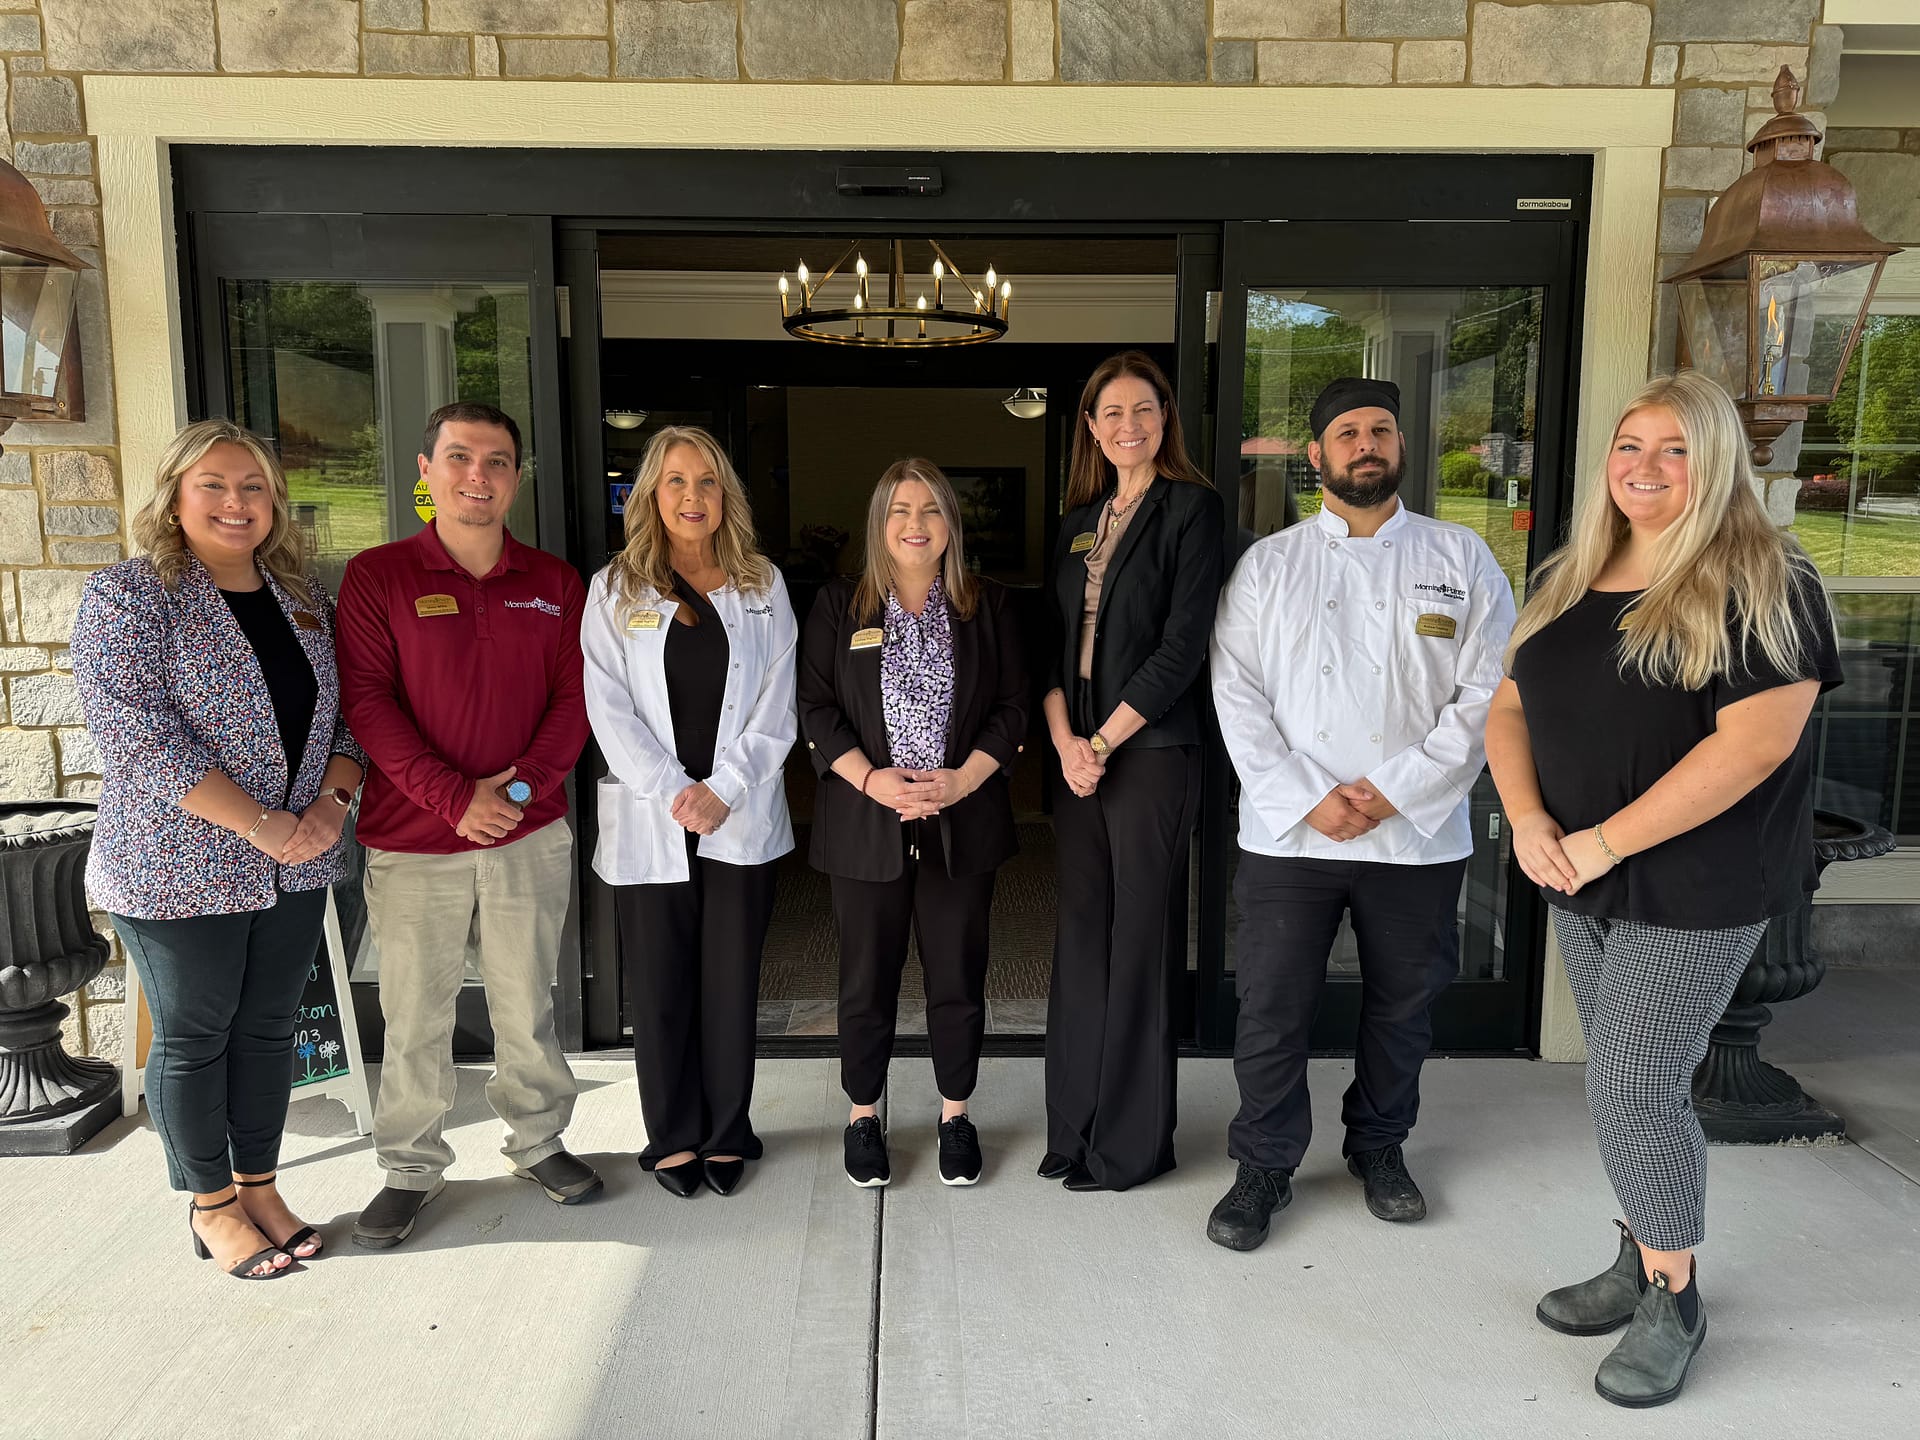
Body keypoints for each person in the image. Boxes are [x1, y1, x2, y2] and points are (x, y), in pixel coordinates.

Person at [1488, 371, 1840, 1408]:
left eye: (1674, 449)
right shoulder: (1576, 571)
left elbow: (1755, 746)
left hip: (1695, 882)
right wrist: (1531, 822)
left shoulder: (1766, 576)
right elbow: (1509, 708)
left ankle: (1673, 1297)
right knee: (1623, 1079)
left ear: (1718, 459)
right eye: (1629, 445)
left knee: (1635, 1086)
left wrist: (1599, 841)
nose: (1643, 467)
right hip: (1574, 870)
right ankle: (1645, 1255)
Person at [1205, 376, 1516, 1251]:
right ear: (1317, 455)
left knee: (1403, 1005)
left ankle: (1380, 1147)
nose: (1365, 444)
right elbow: (1237, 694)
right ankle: (1264, 1163)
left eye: (1380, 429)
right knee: (1271, 1006)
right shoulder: (1270, 565)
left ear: (1401, 447)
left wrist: (1392, 792)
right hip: (1290, 833)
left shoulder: (1462, 560)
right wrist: (1312, 796)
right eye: (1347, 433)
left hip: (1413, 833)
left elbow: (1490, 693)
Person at [71, 419, 365, 1280]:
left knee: (269, 1029)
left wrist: (333, 804)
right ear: (175, 497)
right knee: (196, 1034)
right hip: (177, 862)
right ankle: (211, 1207)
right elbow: (137, 736)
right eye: (216, 485)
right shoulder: (129, 596)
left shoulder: (304, 598)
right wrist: (264, 824)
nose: (238, 503)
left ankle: (262, 1185)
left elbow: (352, 717)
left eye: (253, 487)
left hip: (302, 855)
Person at [336, 400, 598, 1249]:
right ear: (426, 471)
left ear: (516, 477)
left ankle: (538, 1142)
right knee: (415, 1013)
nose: (476, 476)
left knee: (528, 1002)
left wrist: (514, 795)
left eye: (494, 462)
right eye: (458, 458)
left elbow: (575, 702)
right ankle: (409, 1167)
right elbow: (368, 705)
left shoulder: (557, 585)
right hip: (413, 842)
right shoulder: (379, 578)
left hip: (528, 835)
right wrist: (456, 799)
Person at [798, 458, 1029, 1188]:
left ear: (950, 525)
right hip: (866, 824)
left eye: (930, 509)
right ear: (880, 524)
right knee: (866, 978)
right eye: (900, 509)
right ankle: (864, 1116)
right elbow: (816, 710)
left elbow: (1014, 710)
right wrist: (871, 779)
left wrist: (962, 780)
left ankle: (954, 1114)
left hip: (963, 822)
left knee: (958, 976)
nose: (916, 523)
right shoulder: (841, 605)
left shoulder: (987, 604)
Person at [582, 426, 797, 1199]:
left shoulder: (762, 584)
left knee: (731, 980)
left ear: (725, 494)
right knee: (663, 981)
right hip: (653, 815)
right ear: (651, 495)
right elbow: (606, 706)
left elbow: (778, 706)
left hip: (738, 815)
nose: (692, 497)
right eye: (675, 481)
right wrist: (675, 789)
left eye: (706, 481)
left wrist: (725, 789)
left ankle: (726, 1130)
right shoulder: (615, 588)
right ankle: (672, 1135)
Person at [1039, 350, 1223, 1192]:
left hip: (1145, 753)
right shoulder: (1078, 519)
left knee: (1138, 942)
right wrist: (1067, 744)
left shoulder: (1192, 509)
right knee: (1080, 938)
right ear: (1090, 426)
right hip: (1076, 752)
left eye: (1142, 411)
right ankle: (1071, 1129)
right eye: (1111, 413)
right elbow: (1047, 648)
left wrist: (1103, 742)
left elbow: (1180, 648)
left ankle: (1130, 1144)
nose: (1127, 426)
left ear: (1164, 419)